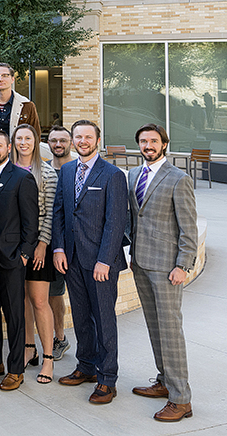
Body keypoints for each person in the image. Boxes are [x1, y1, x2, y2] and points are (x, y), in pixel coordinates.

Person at [52, 120, 127, 405]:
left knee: (104, 321)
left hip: (100, 263)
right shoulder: (68, 170)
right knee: (81, 318)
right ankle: (86, 366)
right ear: (72, 140)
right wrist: (58, 249)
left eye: (87, 136)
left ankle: (107, 378)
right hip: (71, 258)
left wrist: (105, 261)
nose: (82, 141)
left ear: (97, 139)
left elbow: (116, 222)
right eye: (78, 136)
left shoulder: (112, 175)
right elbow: (59, 211)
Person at [128, 123, 197, 422]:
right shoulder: (133, 174)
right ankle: (164, 381)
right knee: (155, 327)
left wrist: (183, 265)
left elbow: (189, 228)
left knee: (170, 332)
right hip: (141, 263)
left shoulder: (178, 179)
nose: (148, 145)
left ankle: (181, 399)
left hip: (168, 267)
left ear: (164, 144)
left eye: (154, 141)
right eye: (143, 141)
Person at [0, 129, 39, 391]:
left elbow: (31, 222)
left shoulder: (22, 178)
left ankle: (15, 368)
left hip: (11, 258)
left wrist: (24, 254)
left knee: (14, 316)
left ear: (8, 147)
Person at [11, 124, 58, 384]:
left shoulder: (48, 173)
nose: (23, 143)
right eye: (19, 138)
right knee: (22, 300)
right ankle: (29, 348)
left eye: (28, 138)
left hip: (39, 245)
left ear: (35, 141)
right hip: (14, 246)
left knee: (39, 301)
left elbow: (51, 212)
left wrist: (42, 243)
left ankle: (49, 358)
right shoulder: (8, 170)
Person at [47, 125, 74, 359]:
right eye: (54, 140)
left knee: (64, 294)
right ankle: (57, 338)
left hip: (72, 244)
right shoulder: (43, 170)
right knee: (52, 294)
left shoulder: (78, 170)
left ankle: (62, 337)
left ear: (71, 143)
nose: (58, 144)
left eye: (63, 140)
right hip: (47, 243)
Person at [0, 63, 40, 135]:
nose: (0, 79)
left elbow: (35, 135)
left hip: (17, 146)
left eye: (5, 76)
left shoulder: (27, 105)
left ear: (12, 79)